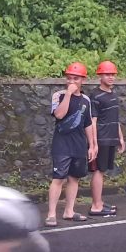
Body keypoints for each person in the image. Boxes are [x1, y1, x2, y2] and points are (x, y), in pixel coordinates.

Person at [45, 62, 97, 227]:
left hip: (79, 145)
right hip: (61, 145)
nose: (71, 82)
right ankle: (51, 214)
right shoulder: (58, 95)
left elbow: (88, 124)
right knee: (58, 178)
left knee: (74, 178)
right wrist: (68, 94)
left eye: (75, 79)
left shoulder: (86, 100)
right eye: (68, 78)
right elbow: (59, 115)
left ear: (83, 80)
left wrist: (92, 145)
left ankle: (69, 210)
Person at [88, 60, 126, 217]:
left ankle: (100, 202)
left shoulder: (113, 95)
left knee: (102, 171)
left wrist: (120, 138)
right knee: (98, 171)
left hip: (111, 138)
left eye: (112, 74)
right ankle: (96, 206)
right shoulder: (95, 95)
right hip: (101, 139)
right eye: (107, 74)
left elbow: (115, 119)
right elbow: (93, 121)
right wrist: (94, 143)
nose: (110, 77)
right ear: (100, 76)